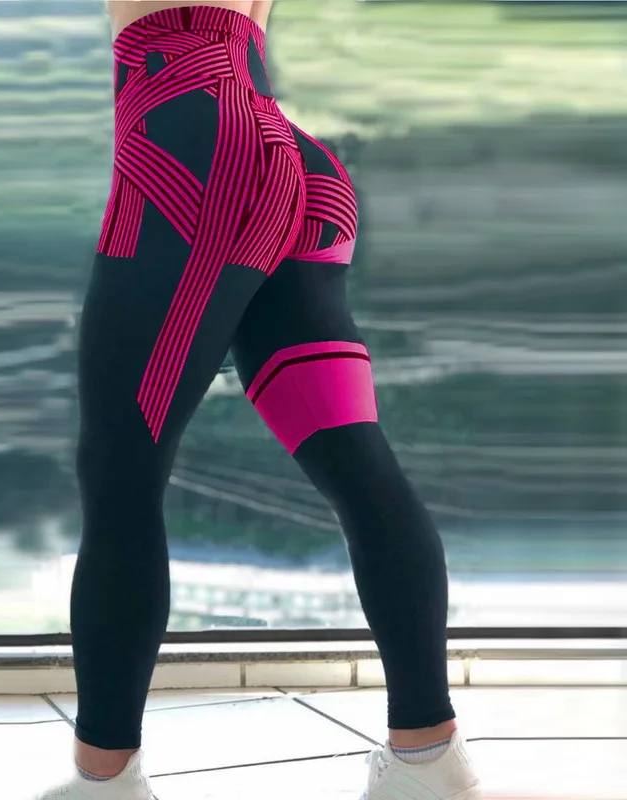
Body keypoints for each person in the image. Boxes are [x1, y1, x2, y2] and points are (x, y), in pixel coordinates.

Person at [37, 1, 483, 798]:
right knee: (355, 458)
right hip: (293, 162)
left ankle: (104, 780)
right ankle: (429, 761)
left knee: (121, 468)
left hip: (191, 147)